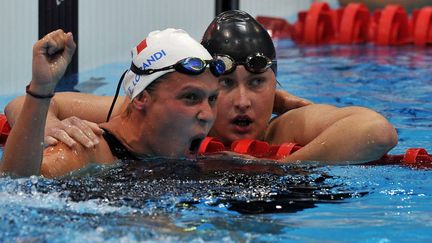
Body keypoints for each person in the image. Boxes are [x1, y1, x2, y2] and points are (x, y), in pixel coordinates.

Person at [5, 10, 397, 164]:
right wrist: (50, 123)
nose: (242, 103)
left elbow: (377, 131)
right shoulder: (151, 112)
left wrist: (280, 170)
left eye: (258, 83)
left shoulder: (280, 129)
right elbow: (23, 104)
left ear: (276, 85)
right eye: (225, 85)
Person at [1, 28, 224, 178]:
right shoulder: (89, 150)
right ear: (140, 99)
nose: (206, 114)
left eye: (212, 99)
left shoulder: (178, 150)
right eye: (190, 98)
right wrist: (41, 89)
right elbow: (18, 182)